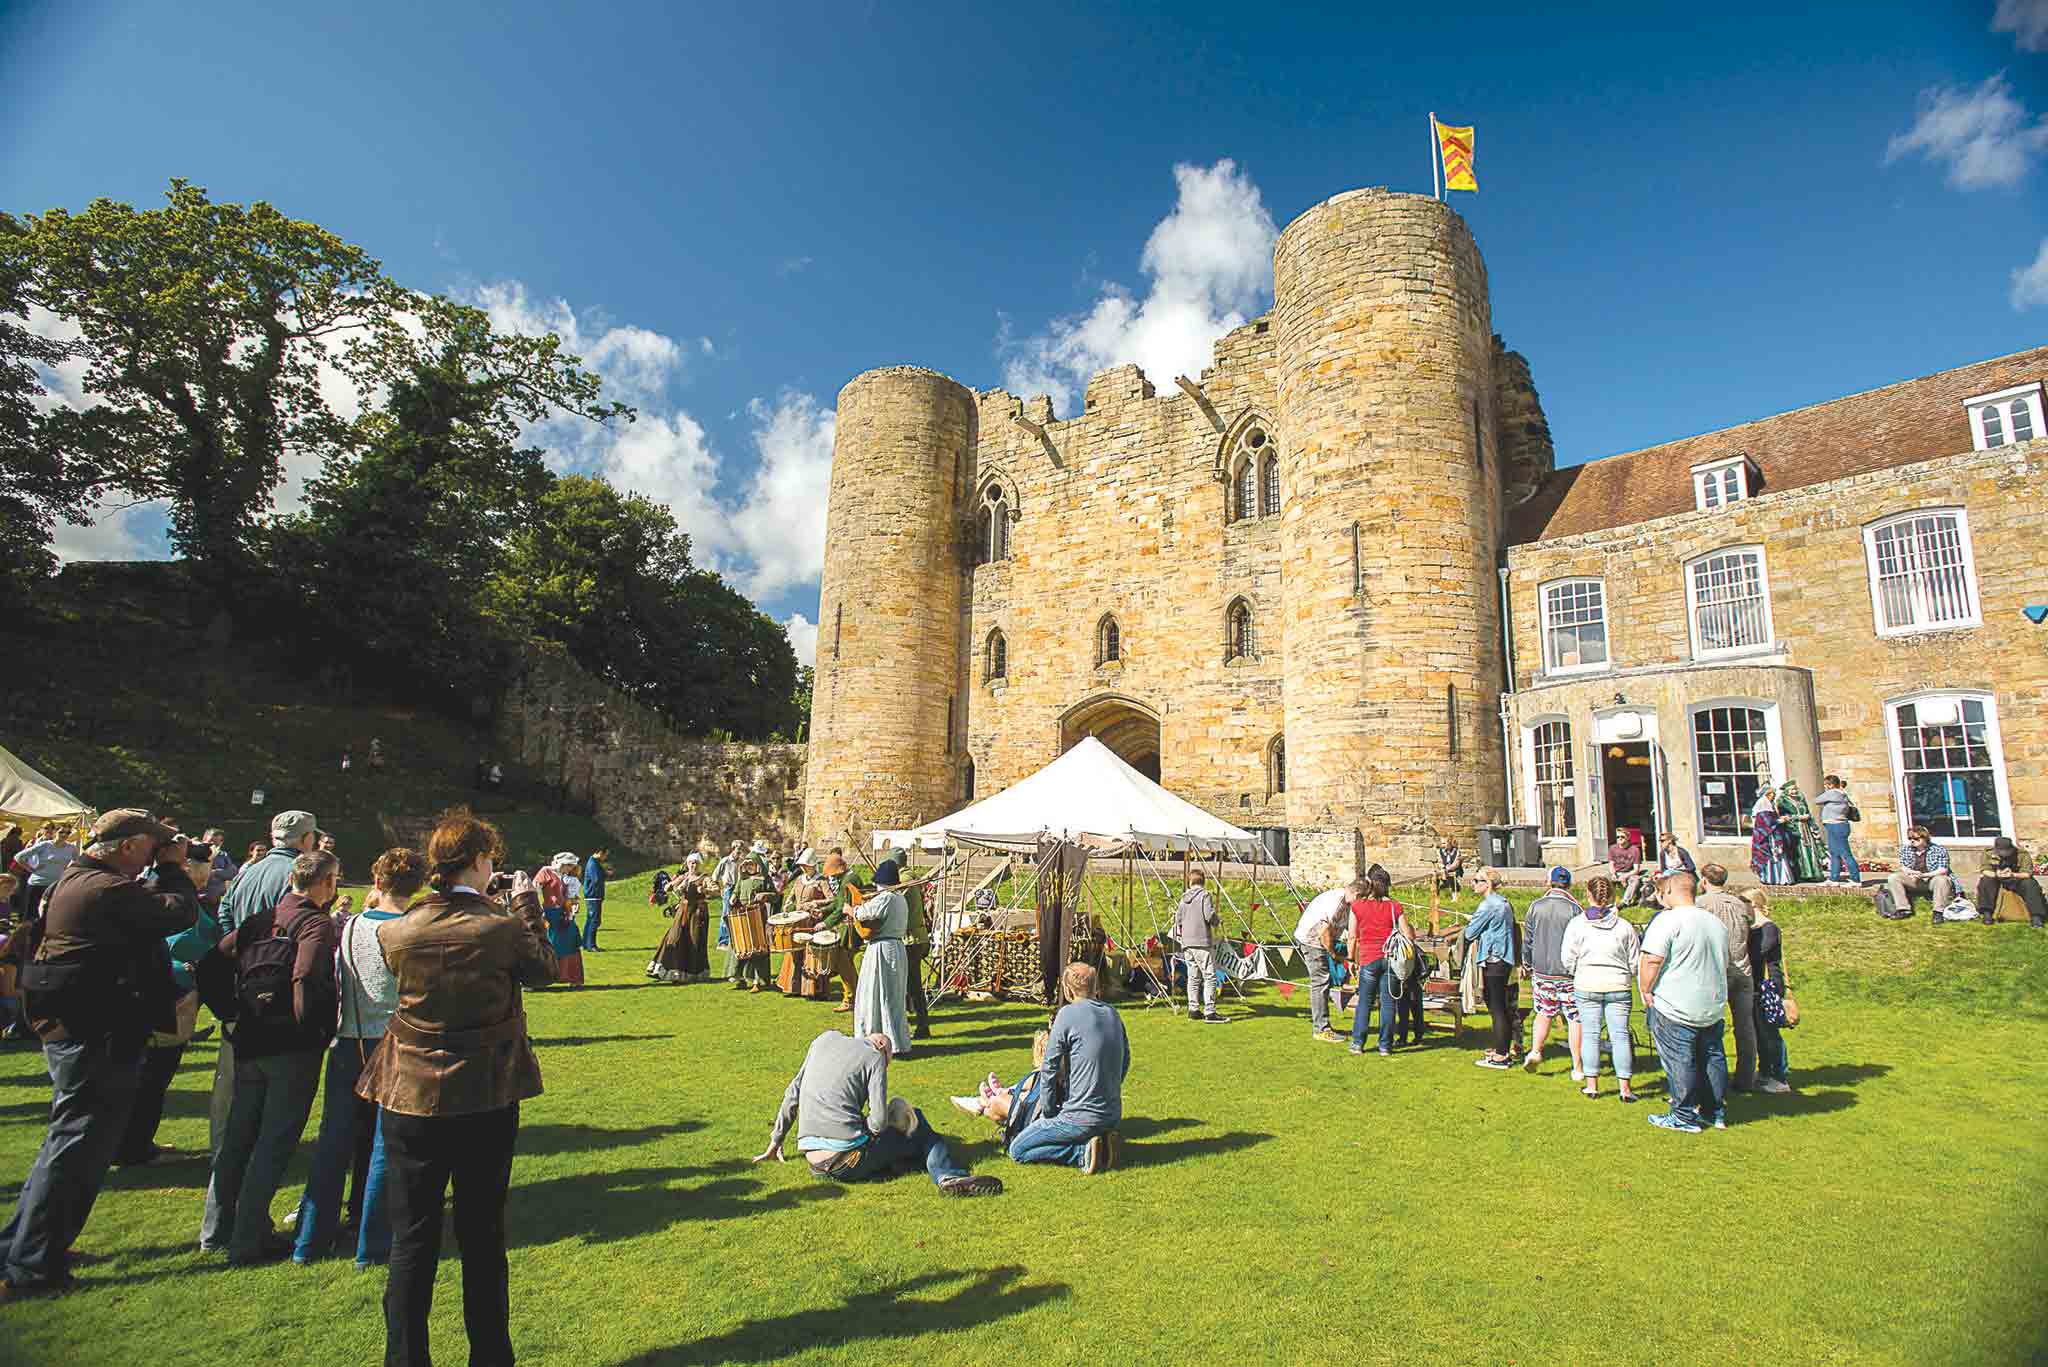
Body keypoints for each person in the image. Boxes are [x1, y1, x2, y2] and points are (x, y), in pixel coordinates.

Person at [358, 812, 555, 1367]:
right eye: (489, 857)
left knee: (412, 1237)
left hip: (409, 1092)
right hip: (483, 1092)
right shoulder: (499, 927)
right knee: (482, 1234)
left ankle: (405, 1358)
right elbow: (543, 969)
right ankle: (491, 1357)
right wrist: (526, 905)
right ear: (476, 860)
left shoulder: (398, 929)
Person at [0, 810, 198, 1297]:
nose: (156, 853)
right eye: (152, 846)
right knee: (78, 1151)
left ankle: (24, 1247)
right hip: (97, 1034)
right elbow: (177, 912)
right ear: (129, 846)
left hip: (80, 1028)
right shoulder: (104, 889)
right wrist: (174, 870)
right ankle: (33, 1266)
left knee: (64, 1146)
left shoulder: (81, 881)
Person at [206, 849, 342, 1263]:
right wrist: (312, 1030)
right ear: (325, 883)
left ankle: (220, 1230)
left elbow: (211, 963)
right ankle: (248, 1238)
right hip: (290, 1046)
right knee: (274, 1140)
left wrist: (228, 1013)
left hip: (250, 1037)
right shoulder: (315, 924)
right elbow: (306, 973)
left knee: (239, 1136)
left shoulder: (259, 920)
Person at [293, 846, 423, 1265]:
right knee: (389, 1144)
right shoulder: (411, 931)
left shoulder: (348, 926)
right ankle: (373, 1244)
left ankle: (309, 1242)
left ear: (377, 882)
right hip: (392, 1044)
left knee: (333, 1144)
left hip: (348, 1040)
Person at [756, 1029, 1001, 1196]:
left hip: (815, 1164)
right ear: (884, 1049)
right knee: (922, 1128)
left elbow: (793, 1094)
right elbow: (878, 1122)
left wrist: (776, 1140)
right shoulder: (874, 1057)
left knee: (898, 1144)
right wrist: (878, 1127)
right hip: (847, 1161)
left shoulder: (823, 1040)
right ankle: (948, 1177)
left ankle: (903, 1165)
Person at [117, 840, 224, 1166]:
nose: (207, 878)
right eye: (203, 872)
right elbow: (171, 945)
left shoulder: (172, 896)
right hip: (171, 995)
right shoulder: (176, 902)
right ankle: (134, 1147)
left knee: (151, 1077)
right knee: (152, 1076)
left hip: (171, 992)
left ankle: (135, 1141)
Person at [1007, 963, 1130, 1174]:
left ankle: (1081, 1153)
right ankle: (1100, 1142)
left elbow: (1049, 1067)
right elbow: (1125, 1060)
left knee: (1017, 1149)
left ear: (1067, 989)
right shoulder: (1113, 1014)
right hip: (1112, 1113)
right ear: (1096, 987)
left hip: (1078, 1117)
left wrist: (1049, 1111)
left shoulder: (1067, 1015)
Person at [1639, 870, 1731, 1133]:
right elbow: (1723, 960)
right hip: (1710, 1003)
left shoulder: (1667, 921)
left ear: (1668, 891)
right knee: (1712, 1057)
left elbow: (1652, 959)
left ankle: (1683, 1114)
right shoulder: (1715, 923)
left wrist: (1646, 989)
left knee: (1681, 1059)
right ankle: (1715, 1111)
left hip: (1676, 1003)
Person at [1560, 875, 1639, 1101]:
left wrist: (1577, 971)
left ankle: (1592, 1084)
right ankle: (1625, 1088)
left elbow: (1567, 957)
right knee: (1620, 1035)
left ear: (1588, 894)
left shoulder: (1577, 925)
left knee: (1591, 1034)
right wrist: (1627, 974)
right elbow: (1634, 960)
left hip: (1588, 983)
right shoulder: (1625, 927)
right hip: (1618, 983)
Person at [1697, 864, 1758, 1092]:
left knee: (1710, 1026)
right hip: (1743, 970)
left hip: (1716, 971)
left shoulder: (1701, 905)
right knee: (1745, 1027)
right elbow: (1751, 927)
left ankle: (1713, 1079)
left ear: (1704, 881)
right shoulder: (1740, 904)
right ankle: (1746, 1078)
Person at [1520, 866, 1583, 1077]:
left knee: (1544, 1013)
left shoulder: (1535, 906)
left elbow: (1528, 939)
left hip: (1542, 971)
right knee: (1575, 1017)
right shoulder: (1576, 909)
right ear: (1569, 884)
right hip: (1568, 973)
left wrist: (1526, 963)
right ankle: (1578, 1066)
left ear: (1549, 882)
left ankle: (1536, 1051)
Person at [852, 861, 913, 1055]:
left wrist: (850, 909)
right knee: (892, 997)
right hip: (896, 947)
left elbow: (864, 913)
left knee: (877, 994)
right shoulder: (900, 898)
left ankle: (877, 1040)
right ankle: (897, 1041)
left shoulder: (886, 897)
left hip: (882, 949)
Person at [1347, 871, 1410, 1057]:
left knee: (1364, 1002)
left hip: (1368, 958)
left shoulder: (1358, 906)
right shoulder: (1394, 907)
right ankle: (1385, 1046)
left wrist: (1351, 958)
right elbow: (1407, 934)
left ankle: (1358, 1043)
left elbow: (1352, 935)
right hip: (1390, 958)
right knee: (1388, 1003)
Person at [1463, 868, 1518, 1068]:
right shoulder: (1503, 902)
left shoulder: (1489, 905)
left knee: (1496, 1007)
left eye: (1478, 880)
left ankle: (1502, 1055)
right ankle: (1501, 1047)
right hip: (1503, 958)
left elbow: (1470, 933)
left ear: (1489, 884)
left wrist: (1472, 923)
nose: (1474, 884)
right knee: (1498, 1005)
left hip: (1495, 958)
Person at [1743, 889, 1793, 1094]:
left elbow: (1758, 953)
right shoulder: (1755, 928)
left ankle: (1779, 1076)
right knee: (1759, 1032)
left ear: (1753, 904)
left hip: (1767, 986)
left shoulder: (1768, 928)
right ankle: (1765, 1072)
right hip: (1757, 985)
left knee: (1770, 1033)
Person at [1293, 884, 1347, 1043]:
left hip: (1318, 939)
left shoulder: (1345, 900)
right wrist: (1333, 954)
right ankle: (1321, 1029)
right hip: (1311, 940)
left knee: (1322, 981)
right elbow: (1324, 932)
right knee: (1320, 981)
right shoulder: (1337, 902)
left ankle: (1322, 1026)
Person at [652, 853, 713, 982]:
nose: (693, 865)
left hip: (697, 913)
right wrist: (670, 886)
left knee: (694, 940)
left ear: (699, 864)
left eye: (695, 863)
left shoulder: (704, 878)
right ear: (687, 864)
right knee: (674, 937)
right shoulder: (684, 876)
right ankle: (666, 969)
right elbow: (668, 887)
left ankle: (694, 973)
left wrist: (705, 891)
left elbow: (717, 891)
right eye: (691, 862)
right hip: (683, 911)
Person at [1173, 869, 1223, 1023]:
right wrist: (1217, 921)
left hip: (1187, 943)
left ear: (1190, 881)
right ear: (1203, 881)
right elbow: (1208, 915)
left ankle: (1193, 1009)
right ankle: (1210, 1011)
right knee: (1209, 976)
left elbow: (1178, 919)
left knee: (1193, 977)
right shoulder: (1205, 895)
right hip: (1201, 941)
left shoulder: (1183, 898)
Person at [1887, 826, 1957, 921]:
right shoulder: (1905, 849)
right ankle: (1903, 909)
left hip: (1932, 879)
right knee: (1893, 877)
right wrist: (1913, 873)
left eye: (1916, 838)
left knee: (1942, 879)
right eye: (1910, 838)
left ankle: (1938, 912)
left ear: (1925, 838)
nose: (1912, 841)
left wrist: (1924, 875)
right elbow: (1904, 867)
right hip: (1914, 879)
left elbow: (1943, 869)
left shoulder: (1938, 850)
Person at [729, 856, 778, 992]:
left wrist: (765, 895)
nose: (750, 866)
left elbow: (775, 895)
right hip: (742, 914)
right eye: (747, 864)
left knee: (758, 948)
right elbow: (736, 891)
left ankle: (758, 981)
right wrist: (733, 897)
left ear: (758, 865)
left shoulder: (765, 878)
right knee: (742, 946)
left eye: (752, 864)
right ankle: (741, 978)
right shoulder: (742, 878)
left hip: (758, 915)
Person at [1977, 836, 2046, 928]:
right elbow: (1985, 870)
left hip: (2016, 878)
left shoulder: (2022, 854)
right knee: (1985, 881)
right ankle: (1987, 914)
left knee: (2030, 884)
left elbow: (2027, 874)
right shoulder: (1988, 853)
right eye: (2001, 851)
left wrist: (2012, 874)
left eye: (2006, 851)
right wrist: (1997, 874)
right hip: (1996, 877)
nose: (2004, 853)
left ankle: (2036, 917)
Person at [535, 859, 583, 988]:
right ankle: (542, 979)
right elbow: (535, 889)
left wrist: (573, 906)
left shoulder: (566, 877)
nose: (570, 869)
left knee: (571, 942)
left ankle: (574, 978)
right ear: (562, 864)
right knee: (550, 944)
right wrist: (539, 909)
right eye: (569, 866)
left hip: (564, 913)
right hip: (550, 913)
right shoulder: (546, 871)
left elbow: (570, 896)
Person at [17, 822, 79, 918]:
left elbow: (77, 863)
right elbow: (19, 857)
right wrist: (32, 869)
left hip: (55, 886)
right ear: (55, 832)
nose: (64, 835)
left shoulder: (72, 848)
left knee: (50, 916)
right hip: (37, 884)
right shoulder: (45, 845)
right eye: (61, 832)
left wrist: (68, 871)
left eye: (67, 833)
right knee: (30, 916)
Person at [1813, 774, 1861, 886]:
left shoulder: (1832, 793)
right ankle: (1833, 879)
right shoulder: (1842, 793)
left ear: (1831, 785)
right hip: (1836, 825)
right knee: (1834, 853)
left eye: (1826, 784)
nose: (1825, 787)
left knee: (1845, 854)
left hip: (1837, 826)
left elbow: (1817, 800)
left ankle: (1856, 879)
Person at [1775, 778, 1825, 884]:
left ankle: (1812, 873)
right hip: (1794, 829)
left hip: (1805, 827)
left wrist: (1808, 817)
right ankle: (1800, 874)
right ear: (1787, 791)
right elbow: (1784, 816)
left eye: (1795, 789)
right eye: (1791, 790)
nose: (1794, 792)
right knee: (1798, 851)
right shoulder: (1782, 801)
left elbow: (1806, 811)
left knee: (1809, 849)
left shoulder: (1800, 798)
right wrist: (1798, 817)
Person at [1749, 790, 1792, 886]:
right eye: (1771, 795)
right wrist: (1780, 821)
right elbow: (1767, 824)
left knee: (1778, 856)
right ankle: (1770, 878)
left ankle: (1781, 878)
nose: (1773, 797)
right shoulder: (1762, 810)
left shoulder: (1770, 807)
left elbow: (1772, 821)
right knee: (1769, 856)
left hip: (1773, 836)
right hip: (1767, 839)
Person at [714, 840, 742, 954]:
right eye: (738, 848)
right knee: (726, 915)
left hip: (738, 889)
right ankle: (723, 942)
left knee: (737, 915)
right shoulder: (725, 861)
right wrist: (720, 889)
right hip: (728, 888)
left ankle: (734, 940)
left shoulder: (741, 862)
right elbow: (715, 877)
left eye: (741, 848)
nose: (740, 851)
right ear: (733, 848)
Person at [1609, 830, 1647, 908]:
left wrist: (1625, 876)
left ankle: (1624, 902)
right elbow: (1611, 864)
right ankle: (1606, 902)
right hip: (1616, 872)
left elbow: (1636, 870)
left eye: (1622, 837)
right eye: (1617, 837)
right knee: (1602, 879)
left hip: (1629, 872)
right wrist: (1613, 874)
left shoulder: (1635, 850)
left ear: (1628, 838)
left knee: (1635, 880)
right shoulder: (1612, 848)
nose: (1620, 838)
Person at [580, 848, 608, 951]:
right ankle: (591, 945)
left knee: (590, 920)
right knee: (594, 921)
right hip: (593, 895)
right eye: (605, 855)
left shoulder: (594, 862)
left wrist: (605, 873)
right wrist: (604, 874)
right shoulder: (593, 863)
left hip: (593, 896)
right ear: (600, 853)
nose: (605, 857)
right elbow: (596, 879)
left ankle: (585, 943)